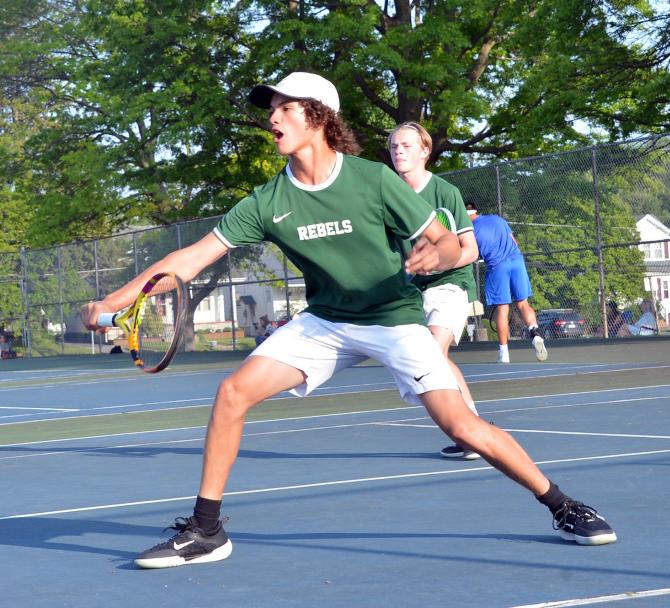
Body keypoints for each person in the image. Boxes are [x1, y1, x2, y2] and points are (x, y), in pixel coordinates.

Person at [81, 72, 616, 569]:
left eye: (285, 108)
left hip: (393, 318)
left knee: (460, 426)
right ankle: (206, 530)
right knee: (232, 392)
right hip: (326, 322)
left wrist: (441, 255)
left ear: (318, 116)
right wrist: (112, 303)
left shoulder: (374, 181)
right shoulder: (268, 200)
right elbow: (189, 259)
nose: (272, 118)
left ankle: (562, 504)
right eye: (270, 109)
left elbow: (450, 243)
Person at [388, 122, 482, 460]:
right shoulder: (388, 197)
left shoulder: (445, 193)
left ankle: (470, 433)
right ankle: (472, 428)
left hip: (450, 284)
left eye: (406, 145)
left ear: (425, 151)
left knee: (433, 350)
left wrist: (439, 262)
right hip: (412, 292)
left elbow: (470, 250)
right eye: (394, 146)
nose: (398, 151)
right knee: (433, 358)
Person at [465, 201, 547, 363]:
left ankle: (504, 354)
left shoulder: (470, 231)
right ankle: (535, 334)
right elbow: (514, 242)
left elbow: (473, 254)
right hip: (517, 261)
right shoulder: (498, 219)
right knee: (523, 303)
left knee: (502, 310)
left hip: (497, 267)